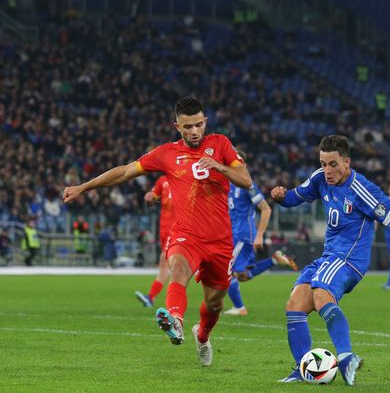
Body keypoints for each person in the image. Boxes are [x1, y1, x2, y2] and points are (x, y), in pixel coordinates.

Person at [64, 96, 252, 367]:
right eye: (188, 127)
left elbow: (246, 180)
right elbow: (125, 172)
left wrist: (219, 166)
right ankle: (175, 319)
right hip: (187, 235)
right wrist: (84, 187)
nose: (194, 131)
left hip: (221, 241)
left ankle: (202, 335)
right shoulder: (166, 154)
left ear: (205, 122)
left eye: (198, 125)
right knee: (177, 268)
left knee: (214, 304)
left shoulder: (220, 144)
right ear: (177, 126)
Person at [271, 135, 390, 385]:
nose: (327, 170)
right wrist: (280, 196)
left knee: (320, 294)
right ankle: (303, 368)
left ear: (346, 162)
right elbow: (294, 198)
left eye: (333, 164)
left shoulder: (362, 189)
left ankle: (347, 358)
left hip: (350, 258)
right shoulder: (320, 178)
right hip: (329, 256)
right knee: (295, 304)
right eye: (323, 163)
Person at [225, 148, 298, 316]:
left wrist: (259, 235)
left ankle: (239, 307)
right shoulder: (227, 184)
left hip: (243, 235)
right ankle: (274, 259)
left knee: (225, 271)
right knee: (242, 275)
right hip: (233, 234)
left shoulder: (247, 185)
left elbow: (266, 210)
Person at [135, 175, 176, 308]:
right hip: (163, 229)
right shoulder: (162, 180)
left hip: (176, 228)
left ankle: (153, 298)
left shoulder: (184, 177)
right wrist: (149, 198)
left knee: (165, 261)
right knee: (166, 266)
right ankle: (153, 298)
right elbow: (153, 197)